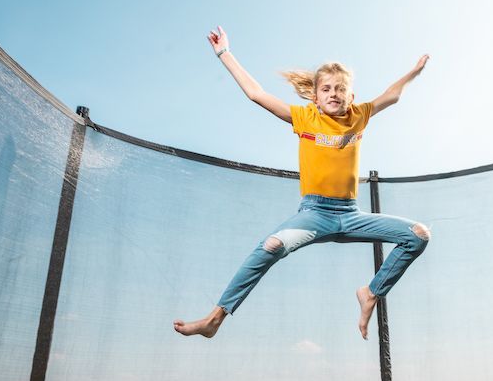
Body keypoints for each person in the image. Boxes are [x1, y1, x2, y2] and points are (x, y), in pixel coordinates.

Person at [173, 26, 431, 340]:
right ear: (315, 95)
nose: (333, 94)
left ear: (351, 96)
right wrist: (225, 54)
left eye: (340, 89)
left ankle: (371, 293)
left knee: (418, 235)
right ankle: (215, 318)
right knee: (271, 246)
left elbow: (392, 95)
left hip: (352, 215)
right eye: (326, 89)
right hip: (314, 214)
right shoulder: (305, 118)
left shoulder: (359, 116)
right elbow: (257, 94)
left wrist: (413, 73)